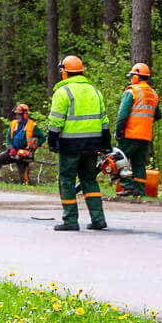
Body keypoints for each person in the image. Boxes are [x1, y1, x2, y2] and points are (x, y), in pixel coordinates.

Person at [46, 54, 110, 231]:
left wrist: (52, 142)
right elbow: (104, 122)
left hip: (70, 146)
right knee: (89, 180)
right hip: (93, 145)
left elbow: (56, 121)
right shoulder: (95, 92)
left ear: (65, 72)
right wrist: (106, 144)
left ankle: (70, 220)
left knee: (66, 180)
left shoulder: (63, 92)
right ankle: (98, 219)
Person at [113, 63, 161, 196]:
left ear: (136, 77)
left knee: (118, 159)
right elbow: (157, 115)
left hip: (131, 133)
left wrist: (118, 130)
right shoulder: (153, 94)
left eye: (132, 76)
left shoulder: (132, 91)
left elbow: (122, 115)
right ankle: (140, 191)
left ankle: (128, 185)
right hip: (145, 136)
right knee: (139, 164)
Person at [0, 104, 44, 184]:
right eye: (16, 114)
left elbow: (42, 137)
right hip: (13, 152)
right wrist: (11, 147)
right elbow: (8, 138)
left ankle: (26, 187)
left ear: (24, 114)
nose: (17, 116)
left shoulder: (32, 126)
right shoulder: (13, 124)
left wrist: (36, 146)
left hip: (24, 154)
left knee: (24, 179)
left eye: (18, 114)